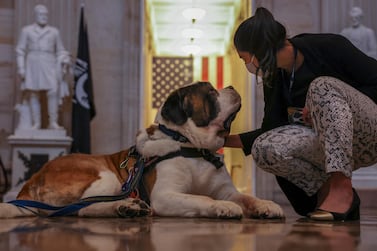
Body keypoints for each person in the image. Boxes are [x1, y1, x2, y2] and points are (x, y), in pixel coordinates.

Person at [224, 7, 377, 221]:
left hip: (368, 133)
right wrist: (219, 141)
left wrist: (330, 105)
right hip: (329, 148)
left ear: (258, 50)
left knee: (321, 87)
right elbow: (272, 129)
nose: (247, 65)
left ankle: (342, 187)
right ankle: (330, 195)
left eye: (244, 58)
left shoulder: (328, 46)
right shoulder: (275, 77)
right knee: (264, 147)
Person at [16, 4, 70, 130]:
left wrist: (64, 58)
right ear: (35, 16)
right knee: (33, 94)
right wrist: (21, 68)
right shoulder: (26, 30)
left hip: (49, 63)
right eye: (41, 14)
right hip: (32, 63)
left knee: (52, 92)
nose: (44, 17)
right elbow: (20, 50)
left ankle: (53, 122)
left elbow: (60, 50)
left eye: (46, 15)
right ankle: (36, 123)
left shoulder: (54, 32)